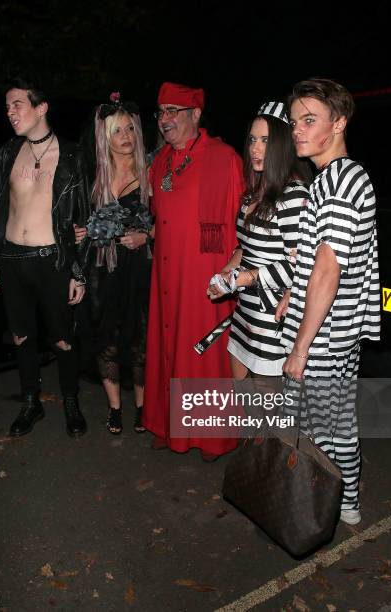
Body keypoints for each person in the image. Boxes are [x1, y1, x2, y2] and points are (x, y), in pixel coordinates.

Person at [280, 78, 381, 525]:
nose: (297, 130)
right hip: (337, 334)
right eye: (295, 121)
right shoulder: (339, 178)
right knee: (338, 423)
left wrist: (300, 348)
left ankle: (313, 511)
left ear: (338, 123)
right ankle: (348, 504)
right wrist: (292, 289)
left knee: (313, 429)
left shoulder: (339, 182)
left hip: (322, 338)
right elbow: (318, 260)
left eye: (309, 120)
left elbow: (328, 268)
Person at [0, 78, 90, 438]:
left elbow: (83, 217)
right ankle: (31, 402)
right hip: (12, 259)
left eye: (17, 105)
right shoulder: (7, 153)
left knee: (62, 338)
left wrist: (78, 270)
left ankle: (71, 401)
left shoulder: (72, 155)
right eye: (7, 107)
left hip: (51, 261)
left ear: (41, 107)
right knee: (22, 336)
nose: (10, 112)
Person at [143, 82, 244, 460]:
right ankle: (170, 424)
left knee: (203, 355)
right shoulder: (159, 162)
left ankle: (209, 436)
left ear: (196, 115)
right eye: (161, 112)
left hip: (205, 278)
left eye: (173, 112)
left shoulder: (225, 158)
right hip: (166, 277)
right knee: (167, 348)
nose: (165, 120)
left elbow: (242, 227)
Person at [207, 101, 311, 394]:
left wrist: (246, 278)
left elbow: (301, 264)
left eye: (265, 140)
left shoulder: (293, 196)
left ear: (282, 145)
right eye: (252, 139)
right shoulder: (253, 192)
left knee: (267, 419)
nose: (255, 148)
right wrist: (225, 277)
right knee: (245, 409)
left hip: (272, 318)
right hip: (245, 313)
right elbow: (244, 248)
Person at [83, 93, 152, 435]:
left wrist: (147, 235)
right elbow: (76, 219)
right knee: (105, 334)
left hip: (140, 266)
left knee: (140, 337)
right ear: (104, 137)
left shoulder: (151, 169)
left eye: (129, 129)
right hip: (103, 266)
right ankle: (114, 408)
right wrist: (81, 230)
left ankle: (142, 407)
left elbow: (167, 222)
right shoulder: (93, 176)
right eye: (117, 131)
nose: (126, 136)